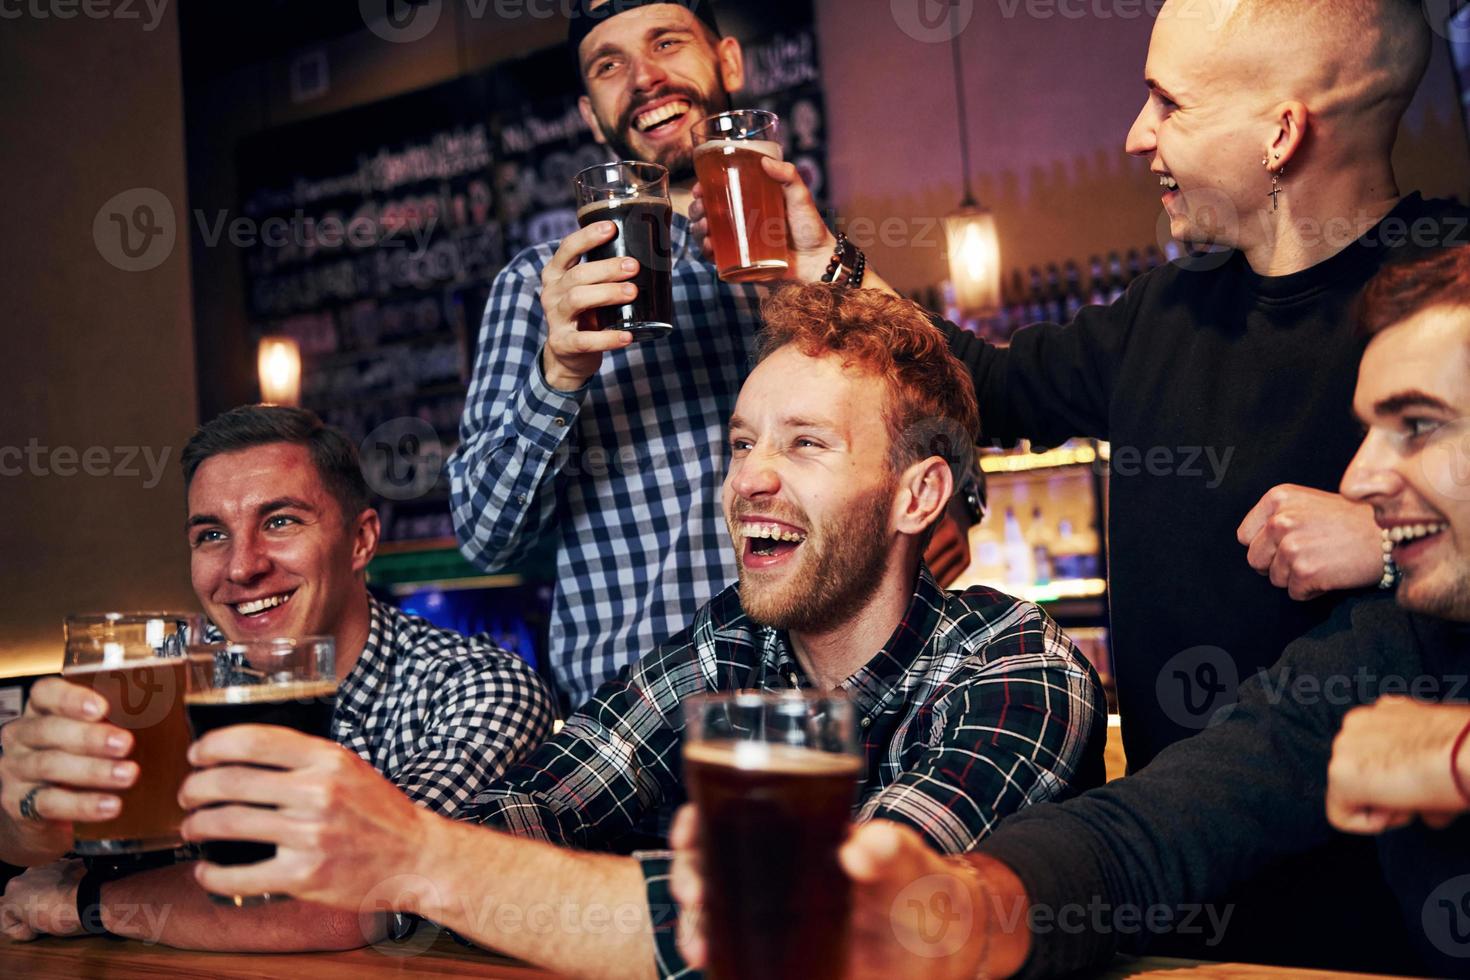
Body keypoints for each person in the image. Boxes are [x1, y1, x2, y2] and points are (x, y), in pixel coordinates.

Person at [174, 284, 1106, 978]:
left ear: (918, 496)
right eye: (742, 443)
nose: (749, 480)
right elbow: (526, 814)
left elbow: (819, 931)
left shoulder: (1014, 665)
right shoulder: (726, 649)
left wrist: (423, 860)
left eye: (805, 443)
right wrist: (405, 858)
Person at [670, 246, 1470, 979]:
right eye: (1370, 432)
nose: (1360, 479)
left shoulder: (1012, 657)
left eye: (1419, 426)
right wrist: (965, 905)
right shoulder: (1391, 648)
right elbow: (1150, 831)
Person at [447, 0, 972, 711]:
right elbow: (485, 539)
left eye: (667, 42)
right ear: (587, 110)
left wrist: (957, 500)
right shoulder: (541, 290)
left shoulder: (806, 252)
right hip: (640, 724)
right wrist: (559, 374)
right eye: (610, 65)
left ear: (728, 61)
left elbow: (936, 397)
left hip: (848, 703)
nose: (645, 77)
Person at [0, 406, 555, 949]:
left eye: (281, 521)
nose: (242, 567)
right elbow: (34, 842)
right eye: (211, 535)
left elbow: (355, 899)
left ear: (360, 540)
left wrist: (89, 901)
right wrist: (30, 818)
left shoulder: (478, 687)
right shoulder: (165, 673)